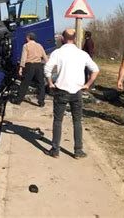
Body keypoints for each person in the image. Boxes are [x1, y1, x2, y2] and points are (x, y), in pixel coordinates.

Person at [44, 29, 99, 159]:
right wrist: (87, 84)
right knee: (77, 120)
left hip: (61, 90)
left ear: (62, 39)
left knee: (58, 120)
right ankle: (78, 150)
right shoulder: (82, 54)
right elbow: (95, 70)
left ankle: (55, 149)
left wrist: (50, 82)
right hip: (77, 91)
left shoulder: (57, 53)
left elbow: (47, 69)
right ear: (75, 38)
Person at [11, 32, 48, 106]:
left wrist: (21, 68)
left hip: (29, 66)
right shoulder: (39, 45)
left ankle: (18, 100)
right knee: (41, 84)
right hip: (39, 66)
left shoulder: (26, 46)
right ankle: (41, 102)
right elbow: (45, 57)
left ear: (28, 38)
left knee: (25, 83)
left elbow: (23, 58)